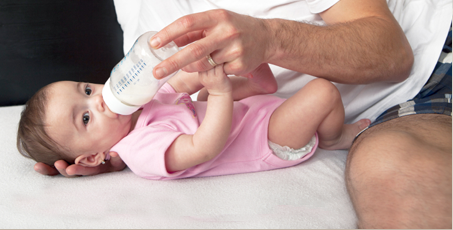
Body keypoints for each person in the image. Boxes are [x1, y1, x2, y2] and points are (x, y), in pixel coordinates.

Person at [35, 0, 452, 227]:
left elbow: (393, 55)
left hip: (435, 49)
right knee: (394, 182)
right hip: (394, 116)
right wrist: (116, 152)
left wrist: (269, 38)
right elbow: (166, 124)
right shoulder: (154, 27)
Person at [18, 63, 370, 180]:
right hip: (265, 139)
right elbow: (204, 147)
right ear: (93, 157)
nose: (98, 100)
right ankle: (334, 137)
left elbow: (182, 81)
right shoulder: (140, 150)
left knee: (200, 93)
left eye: (87, 89)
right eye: (85, 117)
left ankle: (264, 84)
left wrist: (203, 65)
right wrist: (219, 91)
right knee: (323, 91)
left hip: (246, 115)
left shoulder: (142, 103)